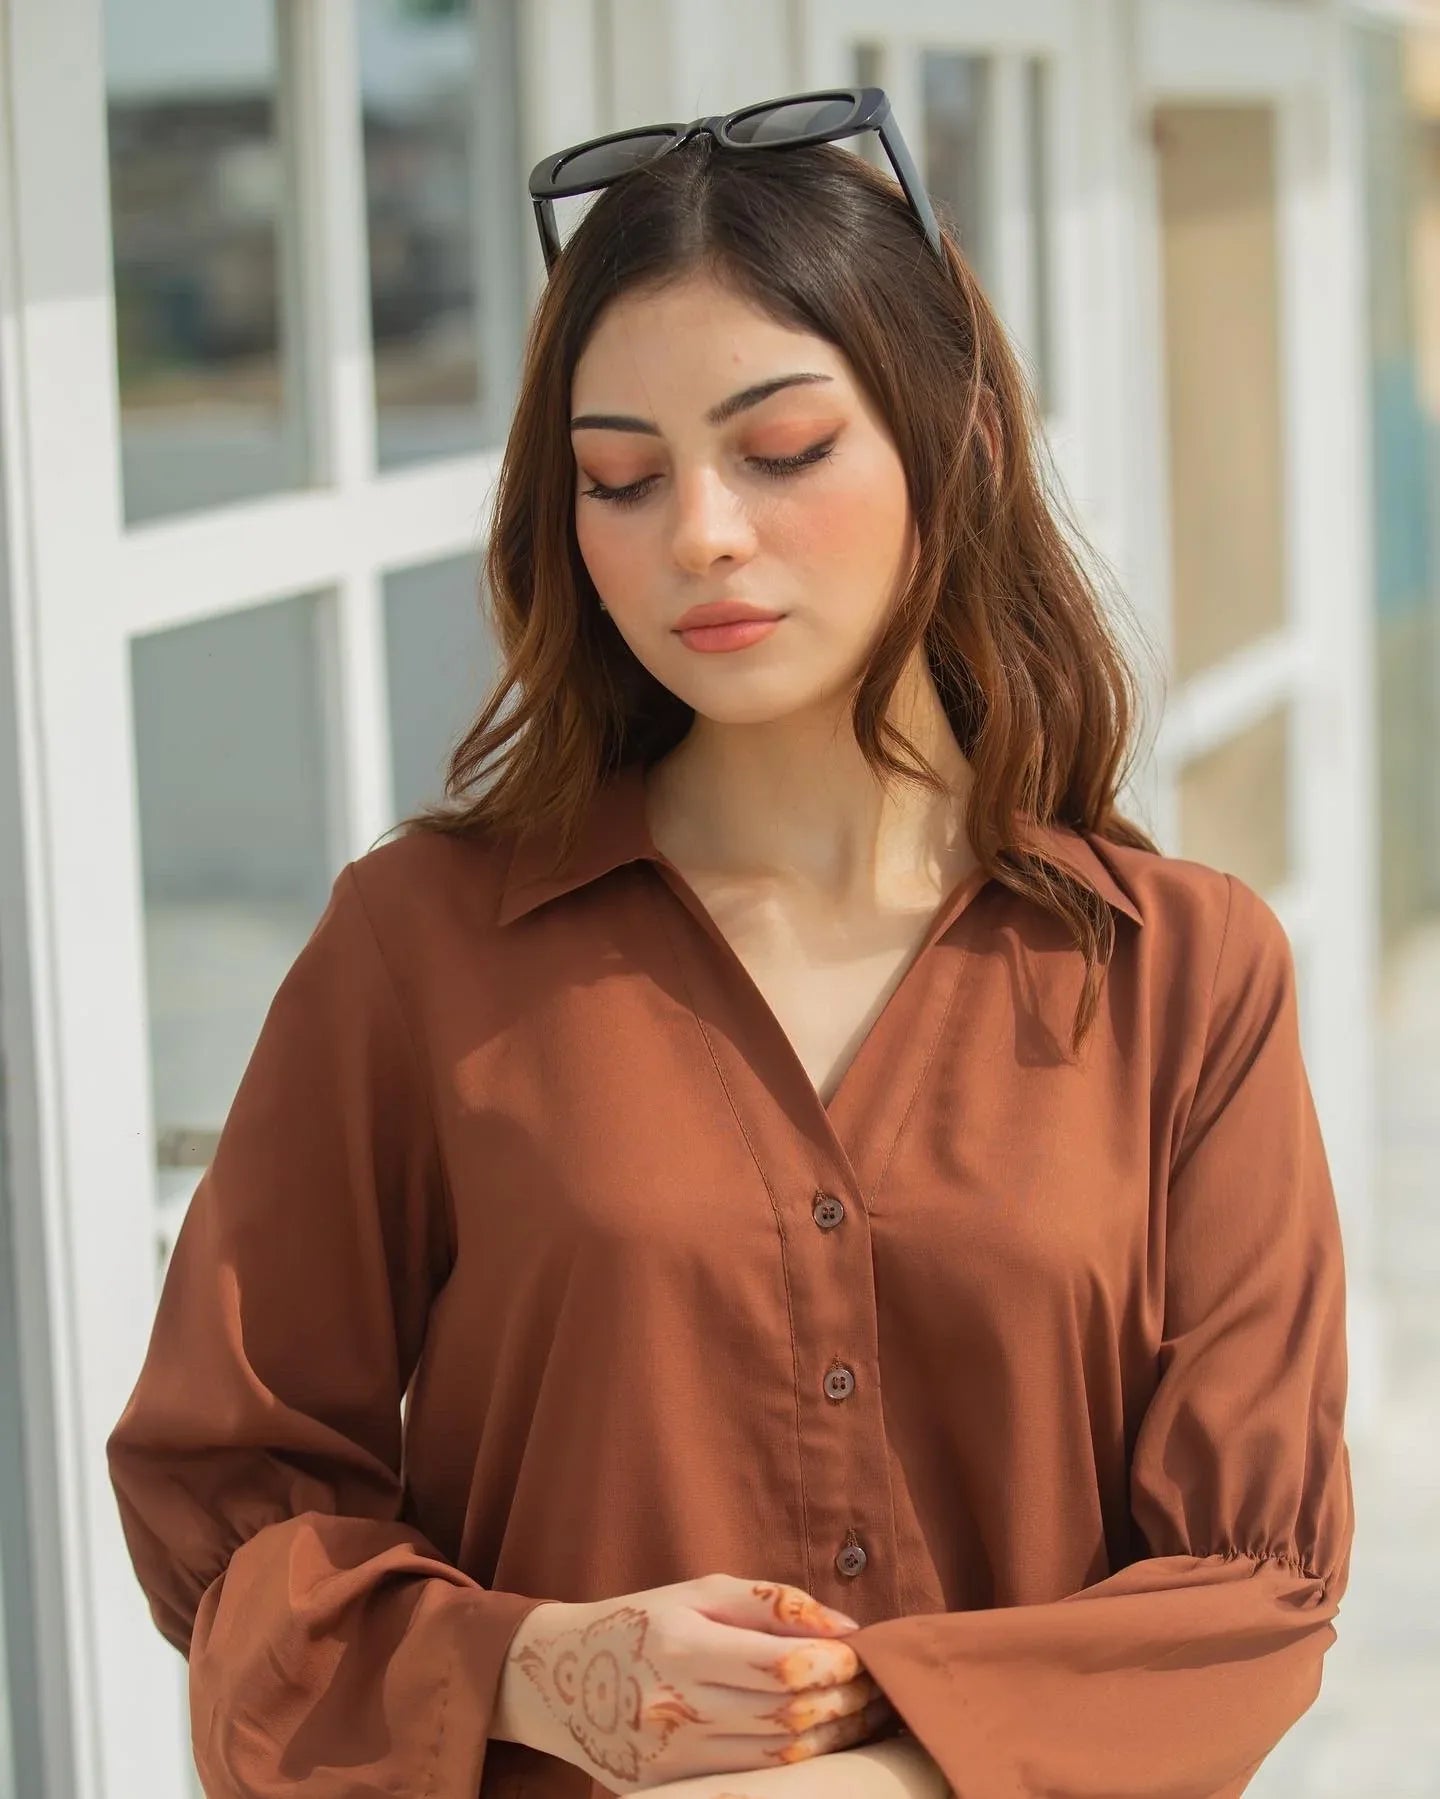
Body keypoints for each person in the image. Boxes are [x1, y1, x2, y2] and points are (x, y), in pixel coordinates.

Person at [107, 91, 1353, 1799]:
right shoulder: (421, 950)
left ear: (958, 442)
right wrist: (533, 1671)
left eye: (782, 450)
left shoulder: (1185, 976)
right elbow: (229, 1505)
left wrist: (875, 1777)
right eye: (621, 477)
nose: (699, 532)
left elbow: (1250, 1595)